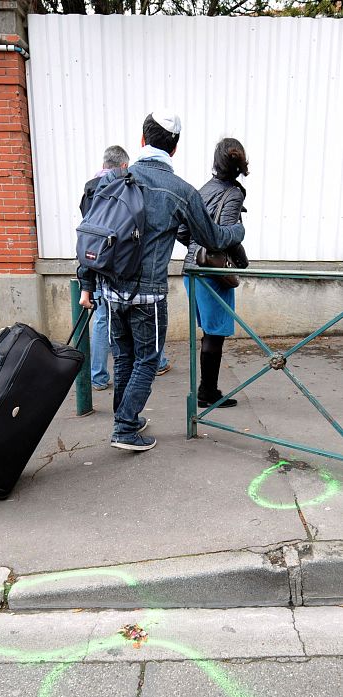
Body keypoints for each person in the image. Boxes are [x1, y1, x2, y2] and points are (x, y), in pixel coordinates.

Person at [78, 109, 245, 452]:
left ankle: (125, 419)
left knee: (124, 358)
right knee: (147, 361)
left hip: (110, 290)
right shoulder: (180, 190)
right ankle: (125, 428)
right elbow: (212, 237)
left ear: (142, 140)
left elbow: (90, 234)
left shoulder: (112, 179)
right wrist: (238, 229)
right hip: (147, 296)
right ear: (175, 148)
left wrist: (87, 284)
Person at [79, 145, 171, 390]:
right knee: (141, 349)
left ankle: (98, 376)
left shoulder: (91, 188)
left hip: (95, 265)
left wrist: (85, 285)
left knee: (109, 330)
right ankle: (125, 421)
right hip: (122, 270)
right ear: (123, 166)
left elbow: (89, 233)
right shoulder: (126, 187)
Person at [182, 138, 249, 408]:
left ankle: (206, 390)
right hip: (212, 271)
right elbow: (225, 236)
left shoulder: (202, 190)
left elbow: (182, 232)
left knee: (209, 332)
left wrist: (196, 248)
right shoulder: (233, 193)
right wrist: (241, 247)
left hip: (191, 270)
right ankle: (207, 393)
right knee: (214, 333)